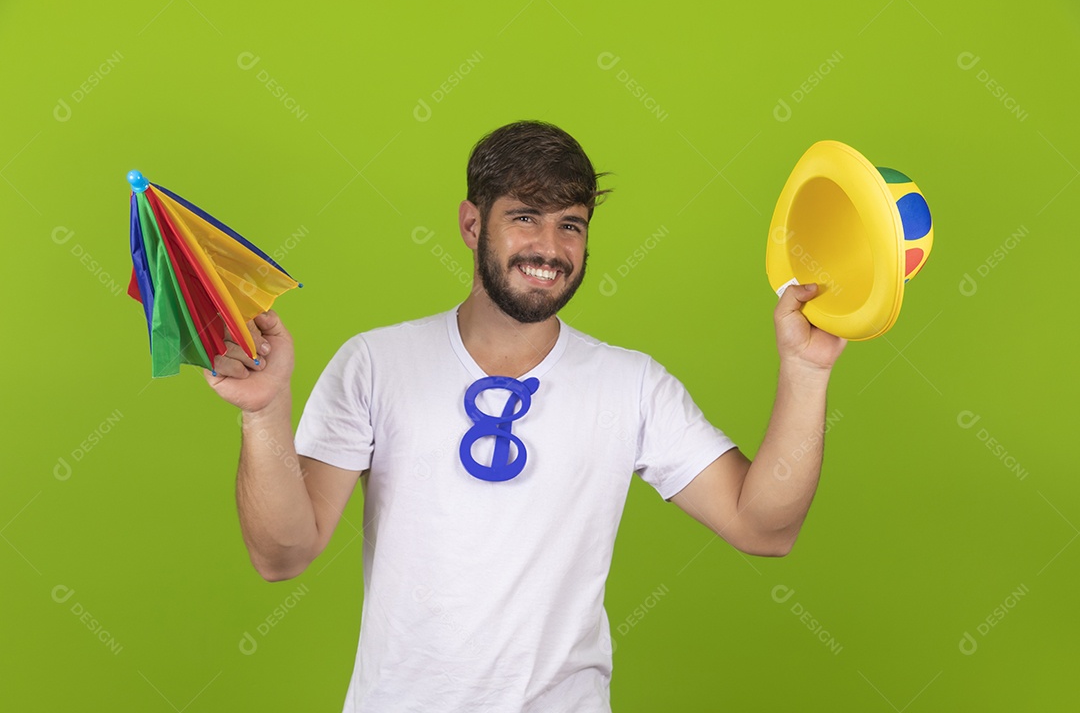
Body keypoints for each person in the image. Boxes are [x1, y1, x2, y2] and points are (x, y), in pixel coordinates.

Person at [205, 120, 846, 712]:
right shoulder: (375, 362)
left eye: (571, 223)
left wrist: (806, 371)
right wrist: (264, 414)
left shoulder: (632, 384)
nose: (550, 247)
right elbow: (282, 555)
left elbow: (764, 529)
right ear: (470, 224)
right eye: (525, 217)